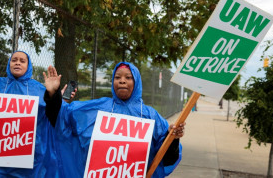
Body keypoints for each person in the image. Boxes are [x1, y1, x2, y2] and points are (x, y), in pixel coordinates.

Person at [43, 62, 185, 178]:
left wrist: (173, 137)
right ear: (112, 81)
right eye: (117, 77)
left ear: (136, 82)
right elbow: (62, 118)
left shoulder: (150, 116)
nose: (122, 80)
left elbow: (167, 158)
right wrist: (53, 93)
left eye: (128, 77)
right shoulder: (97, 108)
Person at [0, 43, 75, 177]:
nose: (17, 63)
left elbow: (53, 115)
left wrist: (54, 95)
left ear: (28, 66)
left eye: (22, 61)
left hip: (32, 158)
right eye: (14, 60)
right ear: (9, 64)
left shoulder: (38, 89)